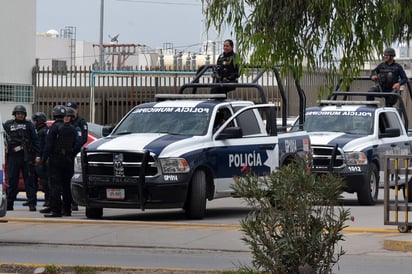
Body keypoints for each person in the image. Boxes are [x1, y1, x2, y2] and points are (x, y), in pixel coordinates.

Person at [3, 105, 41, 211]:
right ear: (14, 114)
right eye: (18, 113)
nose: (20, 115)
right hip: (13, 157)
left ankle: (32, 204)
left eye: (22, 113)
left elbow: (36, 141)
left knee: (29, 181)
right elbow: (3, 139)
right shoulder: (8, 125)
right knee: (12, 181)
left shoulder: (29, 125)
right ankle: (9, 204)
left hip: (27, 157)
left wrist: (38, 155)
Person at [42, 105, 76, 217]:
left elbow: (48, 145)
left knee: (55, 185)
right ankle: (67, 210)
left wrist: (44, 160)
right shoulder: (71, 128)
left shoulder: (54, 128)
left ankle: (56, 210)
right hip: (68, 159)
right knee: (66, 185)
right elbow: (75, 144)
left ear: (54, 115)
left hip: (56, 159)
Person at [66, 102, 88, 211]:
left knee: (74, 178)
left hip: (74, 154)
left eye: (72, 109)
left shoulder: (80, 122)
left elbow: (83, 139)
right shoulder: (65, 122)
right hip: (66, 155)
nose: (70, 111)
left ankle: (74, 202)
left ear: (76, 110)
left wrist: (73, 150)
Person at [31, 112, 51, 213]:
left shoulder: (44, 131)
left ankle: (48, 200)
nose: (33, 122)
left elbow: (44, 146)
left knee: (45, 181)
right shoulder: (38, 130)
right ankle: (32, 200)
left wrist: (41, 157)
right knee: (34, 181)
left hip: (42, 159)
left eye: (35, 120)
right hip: (37, 158)